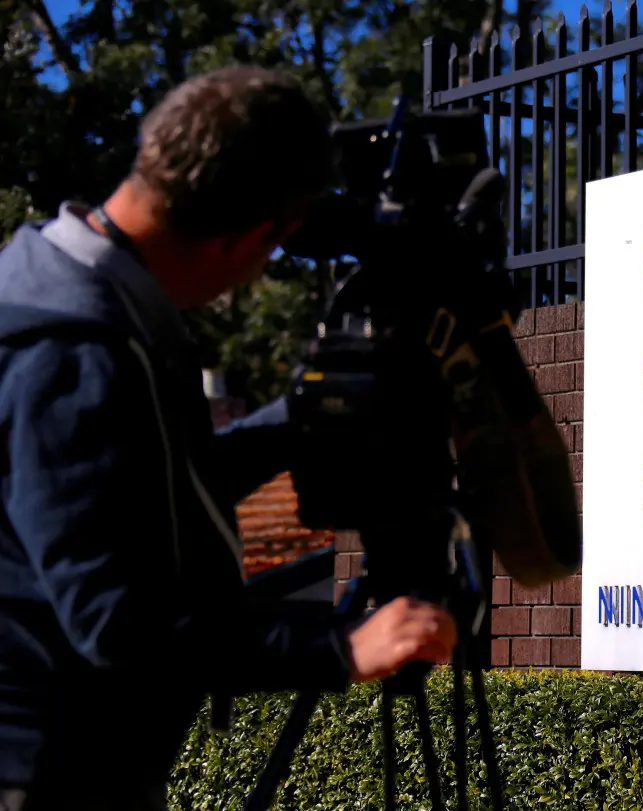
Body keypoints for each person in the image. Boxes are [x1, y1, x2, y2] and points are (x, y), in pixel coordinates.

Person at [0, 65, 459, 810]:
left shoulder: (85, 296)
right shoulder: (69, 347)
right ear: (245, 235)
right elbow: (117, 620)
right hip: (47, 776)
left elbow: (157, 482)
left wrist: (307, 409)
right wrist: (338, 649)